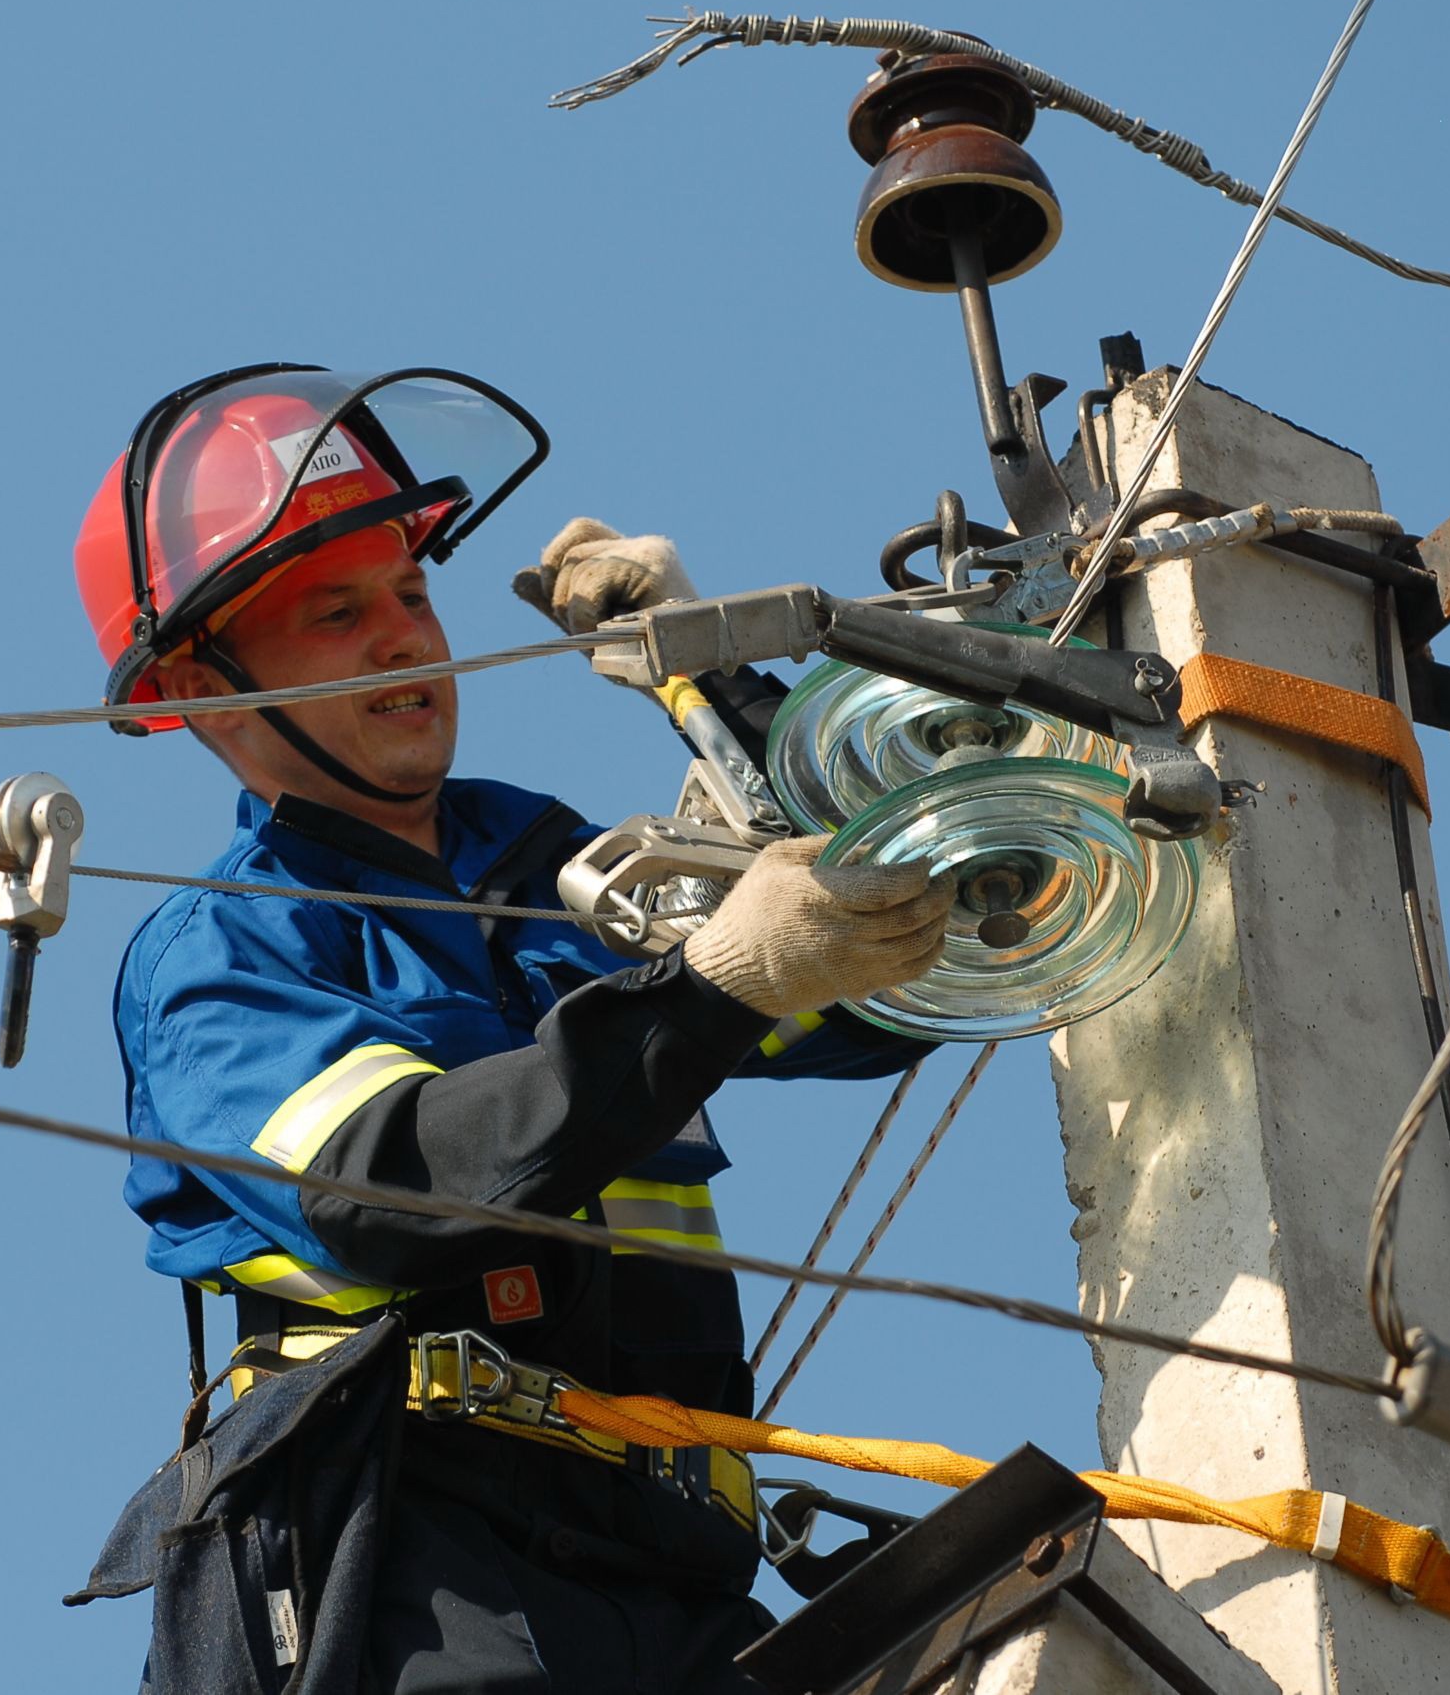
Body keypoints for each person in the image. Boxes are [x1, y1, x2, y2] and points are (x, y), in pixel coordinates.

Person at [65, 366, 950, 1694]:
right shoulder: (223, 958)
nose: (403, 638)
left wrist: (720, 687)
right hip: (418, 1578)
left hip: (675, 1582)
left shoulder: (540, 869)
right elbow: (399, 1187)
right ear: (204, 686)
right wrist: (712, 983)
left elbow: (889, 970)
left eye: (412, 594)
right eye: (337, 611)